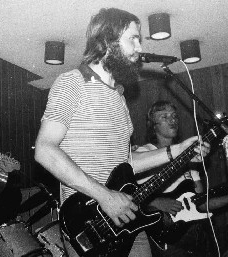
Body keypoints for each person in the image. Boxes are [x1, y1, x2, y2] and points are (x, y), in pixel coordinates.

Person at [34, 8, 210, 257]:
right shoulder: (71, 83)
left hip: (129, 219)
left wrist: (177, 151)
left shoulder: (119, 98)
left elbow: (127, 164)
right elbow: (44, 150)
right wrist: (105, 196)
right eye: (133, 39)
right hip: (89, 223)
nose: (139, 48)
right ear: (107, 41)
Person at [136, 100, 228, 257]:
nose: (172, 120)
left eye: (174, 116)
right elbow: (127, 195)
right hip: (166, 238)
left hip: (197, 235)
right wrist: (156, 202)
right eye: (165, 116)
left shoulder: (191, 156)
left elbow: (200, 204)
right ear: (153, 124)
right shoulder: (143, 153)